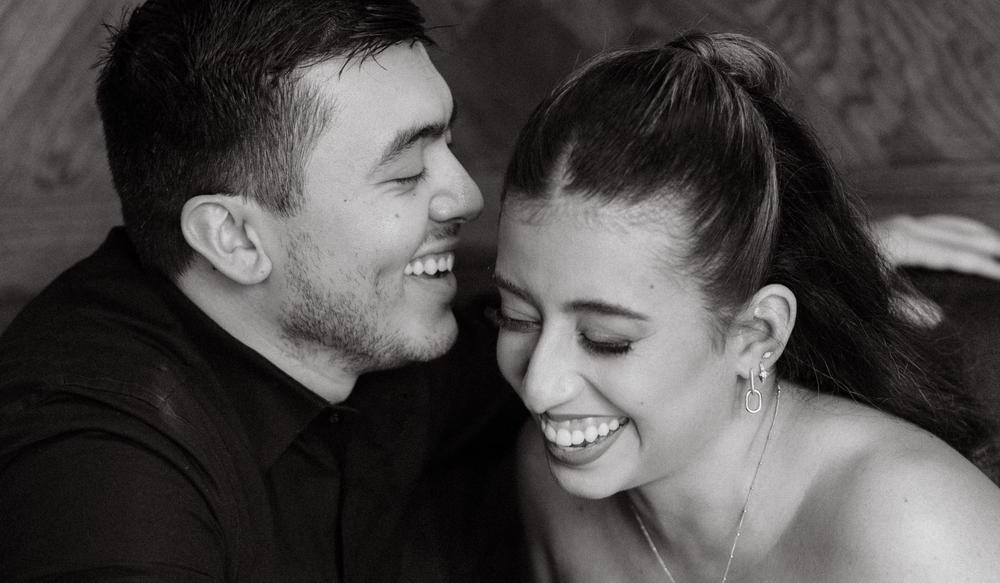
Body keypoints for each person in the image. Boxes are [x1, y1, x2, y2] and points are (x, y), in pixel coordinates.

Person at [0, 1, 525, 581]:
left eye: (449, 145)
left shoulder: (369, 325)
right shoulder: (101, 475)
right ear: (236, 239)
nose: (469, 196)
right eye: (405, 173)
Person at [493, 32, 1000, 582]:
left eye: (605, 339)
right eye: (517, 316)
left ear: (758, 334)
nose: (539, 387)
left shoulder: (914, 530)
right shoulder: (547, 481)